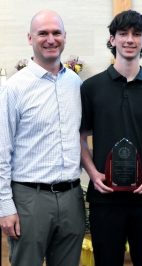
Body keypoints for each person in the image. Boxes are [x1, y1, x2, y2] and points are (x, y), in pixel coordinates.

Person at [80, 10, 142, 266]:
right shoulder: (91, 87)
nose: (130, 39)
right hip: (105, 197)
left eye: (137, 34)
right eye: (123, 34)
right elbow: (81, 137)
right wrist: (93, 174)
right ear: (112, 39)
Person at [0, 10, 85, 266]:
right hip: (30, 199)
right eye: (43, 33)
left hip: (71, 196)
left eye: (56, 32)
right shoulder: (14, 88)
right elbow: (2, 150)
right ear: (30, 38)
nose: (51, 39)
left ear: (65, 37)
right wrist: (5, 206)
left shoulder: (75, 83)